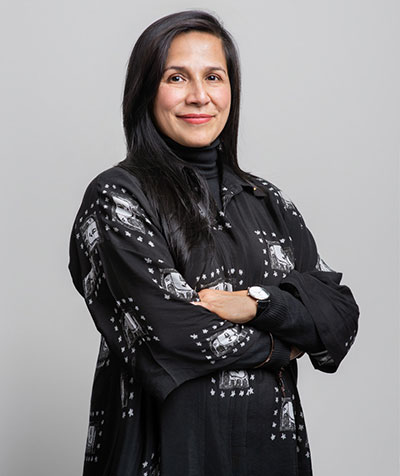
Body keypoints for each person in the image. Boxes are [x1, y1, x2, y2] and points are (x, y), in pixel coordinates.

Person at [68, 10, 360, 476]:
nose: (198, 95)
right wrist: (284, 345)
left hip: (270, 456)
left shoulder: (268, 201)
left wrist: (259, 304)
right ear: (146, 90)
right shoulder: (118, 197)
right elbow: (168, 332)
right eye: (176, 77)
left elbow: (339, 316)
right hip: (164, 456)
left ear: (231, 90)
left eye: (213, 77)